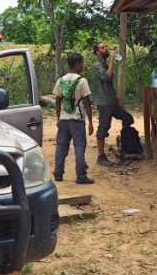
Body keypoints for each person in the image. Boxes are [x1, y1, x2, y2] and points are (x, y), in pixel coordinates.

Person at [52, 53, 94, 184]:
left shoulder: (61, 80)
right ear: (77, 65)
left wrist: (58, 118)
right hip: (77, 119)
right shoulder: (82, 81)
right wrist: (91, 122)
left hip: (64, 119)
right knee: (80, 146)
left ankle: (58, 173)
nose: (83, 65)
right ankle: (81, 176)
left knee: (61, 146)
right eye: (82, 63)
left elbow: (58, 102)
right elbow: (87, 103)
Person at [89, 41, 134, 166]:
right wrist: (112, 61)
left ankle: (124, 143)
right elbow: (107, 77)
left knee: (128, 119)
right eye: (103, 48)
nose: (106, 49)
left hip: (111, 101)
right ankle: (101, 157)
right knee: (103, 129)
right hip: (104, 103)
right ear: (97, 52)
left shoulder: (103, 63)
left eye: (106, 47)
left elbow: (107, 83)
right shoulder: (97, 65)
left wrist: (113, 95)